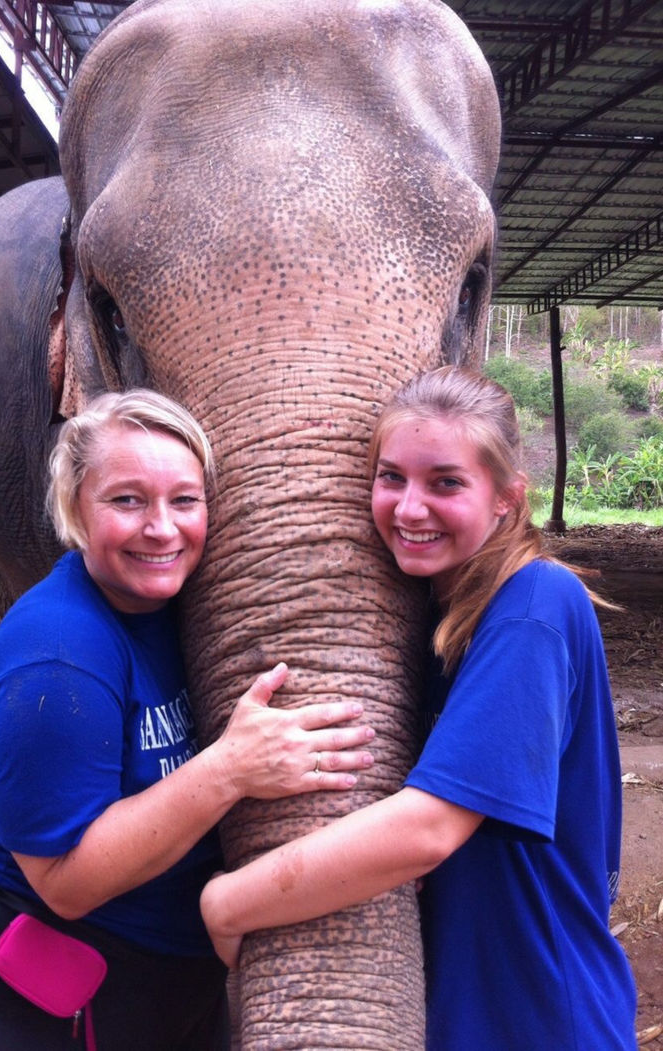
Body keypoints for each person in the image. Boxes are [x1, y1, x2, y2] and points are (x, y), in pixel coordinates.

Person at [0, 389, 376, 1051]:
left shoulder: (171, 612)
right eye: (127, 500)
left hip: (155, 976)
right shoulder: (57, 656)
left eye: (184, 500)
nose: (161, 527)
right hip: (36, 998)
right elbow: (66, 881)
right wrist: (229, 768)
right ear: (75, 507)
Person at [201, 366, 638, 1050]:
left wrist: (230, 900)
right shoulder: (450, 614)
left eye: (445, 482)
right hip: (476, 1007)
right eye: (390, 477)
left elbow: (428, 827)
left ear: (506, 498)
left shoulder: (532, 607)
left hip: (540, 1015)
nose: (408, 508)